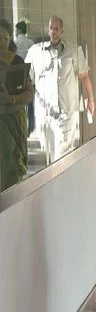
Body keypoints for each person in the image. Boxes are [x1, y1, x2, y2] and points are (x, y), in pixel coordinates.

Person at [25, 16, 94, 163]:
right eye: (51, 28)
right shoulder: (36, 51)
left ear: (62, 31)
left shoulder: (74, 50)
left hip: (66, 110)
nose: (54, 31)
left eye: (56, 29)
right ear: (47, 30)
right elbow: (28, 80)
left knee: (64, 153)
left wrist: (90, 100)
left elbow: (84, 76)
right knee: (49, 152)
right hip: (45, 112)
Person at [0, 19, 34, 191]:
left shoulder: (18, 62)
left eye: (5, 38)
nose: (2, 42)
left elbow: (30, 93)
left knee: (15, 163)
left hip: (15, 120)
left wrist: (12, 100)